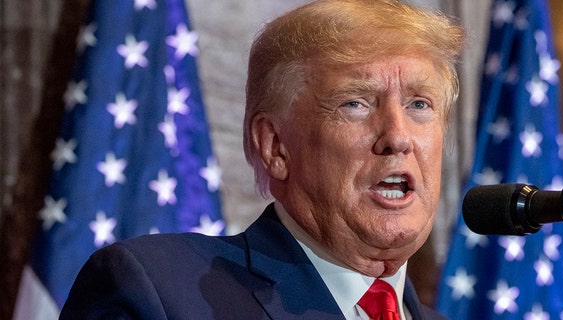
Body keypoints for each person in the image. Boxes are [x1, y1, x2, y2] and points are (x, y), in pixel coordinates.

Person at [60, 0, 465, 318]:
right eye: (356, 103)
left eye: (419, 104)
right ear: (275, 146)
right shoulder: (161, 291)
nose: (397, 136)